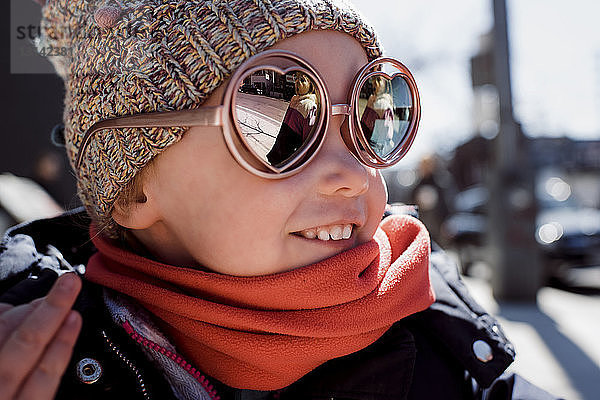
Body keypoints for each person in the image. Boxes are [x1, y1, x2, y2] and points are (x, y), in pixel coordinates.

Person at [0, 1, 560, 399]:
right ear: (138, 188)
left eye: (371, 116)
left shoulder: (447, 340)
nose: (351, 175)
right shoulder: (30, 353)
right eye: (278, 123)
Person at [266, 72, 319, 165]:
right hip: (280, 150)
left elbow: (308, 140)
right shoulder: (295, 100)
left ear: (311, 85)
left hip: (290, 157)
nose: (297, 82)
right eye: (296, 79)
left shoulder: (309, 105)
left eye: (302, 80)